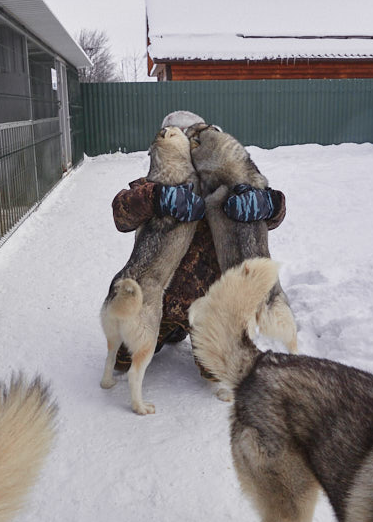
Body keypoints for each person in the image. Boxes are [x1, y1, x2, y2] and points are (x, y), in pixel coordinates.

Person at [109, 110, 285, 374]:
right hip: (160, 298)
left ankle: (203, 331)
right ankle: (171, 325)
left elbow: (273, 214)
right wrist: (156, 198)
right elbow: (121, 214)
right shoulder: (160, 180)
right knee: (124, 357)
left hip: (212, 304)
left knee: (217, 372)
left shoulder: (224, 182)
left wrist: (268, 204)